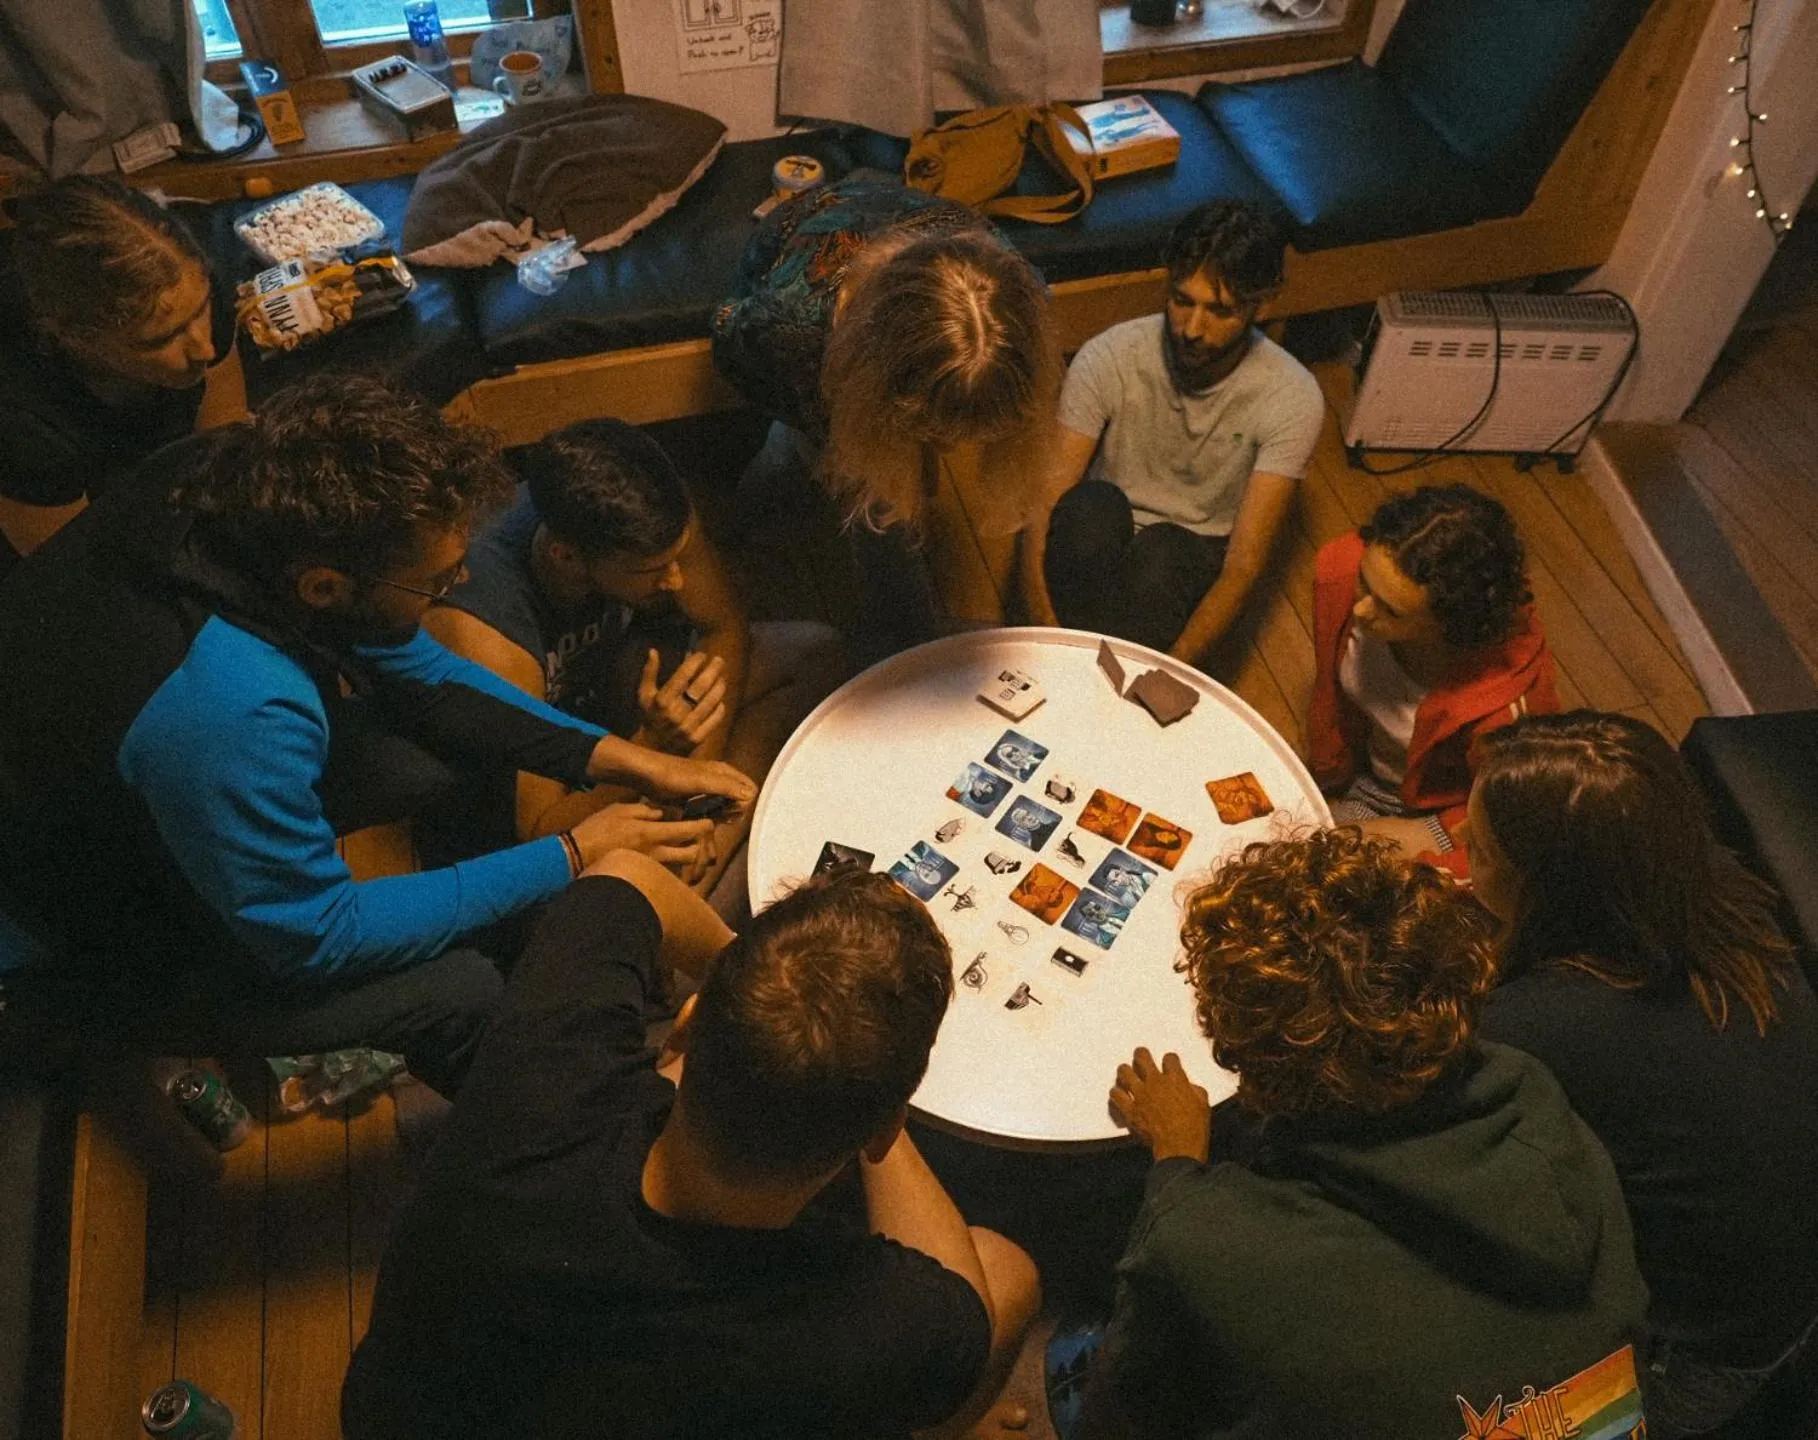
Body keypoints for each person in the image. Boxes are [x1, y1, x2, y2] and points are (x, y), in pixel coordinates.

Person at [0, 375, 753, 1096]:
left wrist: (631, 761)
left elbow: (420, 670)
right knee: (462, 991)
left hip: (132, 788)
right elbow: (316, 934)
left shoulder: (237, 477)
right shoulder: (236, 708)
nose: (454, 593)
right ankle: (580, 1144)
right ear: (324, 587)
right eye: (435, 583)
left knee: (434, 762)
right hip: (70, 940)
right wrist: (572, 853)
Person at [342, 858, 1041, 1440]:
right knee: (1008, 1273)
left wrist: (758, 994)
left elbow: (627, 875)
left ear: (686, 1023)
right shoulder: (900, 1327)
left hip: (398, 1416)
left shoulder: (539, 1081)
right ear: (883, 1127)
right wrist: (863, 1107)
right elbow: (969, 1312)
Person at [1080, 828, 1647, 1440]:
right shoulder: (1534, 1097)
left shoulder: (1204, 1239)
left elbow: (1145, 1403)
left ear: (1245, 1057)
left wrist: (1175, 1172)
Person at [1464, 711, 1818, 1438]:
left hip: (1693, 1363)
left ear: (1546, 887)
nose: (1463, 862)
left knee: (1473, 1426)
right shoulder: (1718, 898)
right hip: (1785, 1296)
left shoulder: (1544, 1026)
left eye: (1476, 850)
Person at [423, 418, 843, 910]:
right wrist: (654, 755)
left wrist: (695, 794)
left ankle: (708, 848)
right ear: (567, 557)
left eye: (679, 555)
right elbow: (540, 831)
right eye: (652, 571)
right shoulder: (489, 635)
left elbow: (722, 625)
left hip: (611, 704)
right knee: (627, 888)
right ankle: (685, 889)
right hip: (532, 792)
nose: (676, 581)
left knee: (816, 652)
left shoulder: (652, 520)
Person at [713, 177, 1060, 652]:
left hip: (892, 206)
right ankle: (902, 645)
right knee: (856, 489)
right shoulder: (789, 330)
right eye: (937, 431)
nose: (953, 448)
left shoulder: (1018, 298)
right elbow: (729, 337)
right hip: (790, 259)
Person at [1022, 199, 1323, 664]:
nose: (1193, 329)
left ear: (1262, 305)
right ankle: (1074, 662)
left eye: (1220, 311)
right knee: (1092, 511)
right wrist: (1043, 630)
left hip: (1191, 547)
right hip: (1108, 527)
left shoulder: (1292, 397)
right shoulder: (1110, 355)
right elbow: (1045, 503)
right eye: (1182, 301)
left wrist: (1172, 670)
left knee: (1162, 555)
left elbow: (1243, 566)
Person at [0, 175, 242, 577]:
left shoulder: (187, 287)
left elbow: (225, 432)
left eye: (200, 310)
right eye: (161, 339)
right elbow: (73, 570)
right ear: (75, 339)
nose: (205, 348)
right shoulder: (20, 416)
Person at [1310, 483, 1557, 872]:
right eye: (1365, 580)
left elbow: (1506, 826)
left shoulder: (1509, 709)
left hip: (1439, 812)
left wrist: (1431, 837)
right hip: (1365, 773)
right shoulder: (1342, 569)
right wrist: (1329, 770)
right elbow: (1328, 692)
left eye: (1390, 611)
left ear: (1450, 625)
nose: (1359, 609)